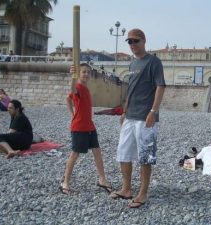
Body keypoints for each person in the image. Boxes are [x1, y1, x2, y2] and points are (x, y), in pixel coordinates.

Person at [109, 28, 166, 208]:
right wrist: (124, 111)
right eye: (129, 42)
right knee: (123, 153)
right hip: (130, 116)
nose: (132, 45)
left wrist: (153, 111)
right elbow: (130, 90)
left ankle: (143, 193)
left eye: (135, 41)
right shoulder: (133, 64)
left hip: (145, 117)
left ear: (143, 41)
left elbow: (160, 87)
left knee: (145, 156)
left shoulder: (153, 62)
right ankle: (127, 189)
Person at [60, 63, 112, 195]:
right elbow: (71, 92)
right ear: (79, 74)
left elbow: (67, 98)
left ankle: (102, 179)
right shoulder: (77, 87)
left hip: (89, 125)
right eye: (83, 72)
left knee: (97, 152)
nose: (86, 74)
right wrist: (73, 76)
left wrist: (72, 113)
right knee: (75, 154)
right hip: (79, 127)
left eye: (88, 72)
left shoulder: (86, 88)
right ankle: (65, 182)